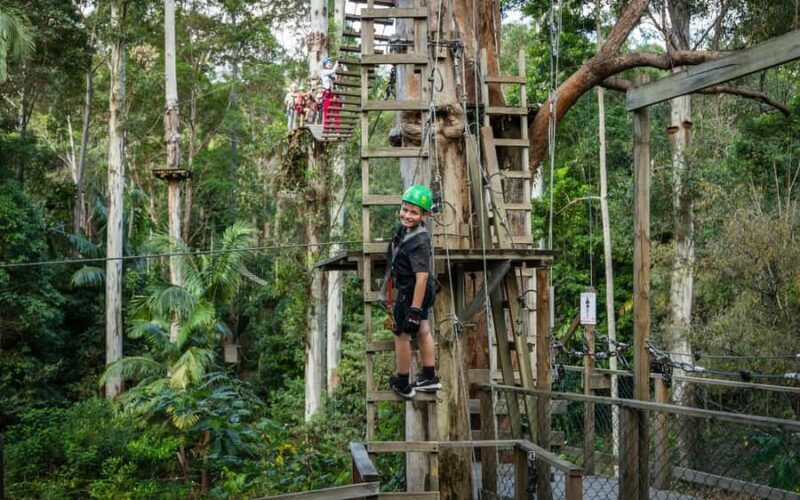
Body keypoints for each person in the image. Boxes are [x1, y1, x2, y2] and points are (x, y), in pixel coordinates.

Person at [384, 185, 442, 399]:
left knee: (401, 335)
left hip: (414, 292)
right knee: (424, 330)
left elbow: (422, 276)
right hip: (420, 291)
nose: (407, 215)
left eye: (414, 212)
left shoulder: (419, 242)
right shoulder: (407, 230)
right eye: (405, 209)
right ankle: (429, 376)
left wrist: (414, 311)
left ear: (425, 215)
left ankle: (402, 382)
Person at [319, 56, 340, 131]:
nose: (330, 64)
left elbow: (336, 78)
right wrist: (337, 62)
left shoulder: (333, 74)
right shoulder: (324, 72)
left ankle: (337, 130)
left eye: (331, 63)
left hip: (334, 93)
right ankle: (326, 129)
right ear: (325, 65)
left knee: (336, 112)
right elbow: (333, 70)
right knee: (327, 112)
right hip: (327, 93)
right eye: (328, 63)